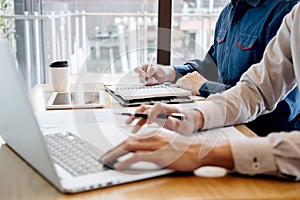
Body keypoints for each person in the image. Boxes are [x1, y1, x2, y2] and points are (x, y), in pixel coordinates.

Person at [100, 3, 300, 181]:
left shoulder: (285, 8)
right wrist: (193, 116)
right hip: (232, 133)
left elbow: (284, 108)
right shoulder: (287, 18)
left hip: (265, 147)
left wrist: (204, 152)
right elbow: (253, 90)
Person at [134, 0, 300, 136]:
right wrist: (170, 73)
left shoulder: (285, 9)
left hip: (262, 136)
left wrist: (205, 88)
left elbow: (283, 109)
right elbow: (211, 67)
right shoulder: (228, 13)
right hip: (225, 124)